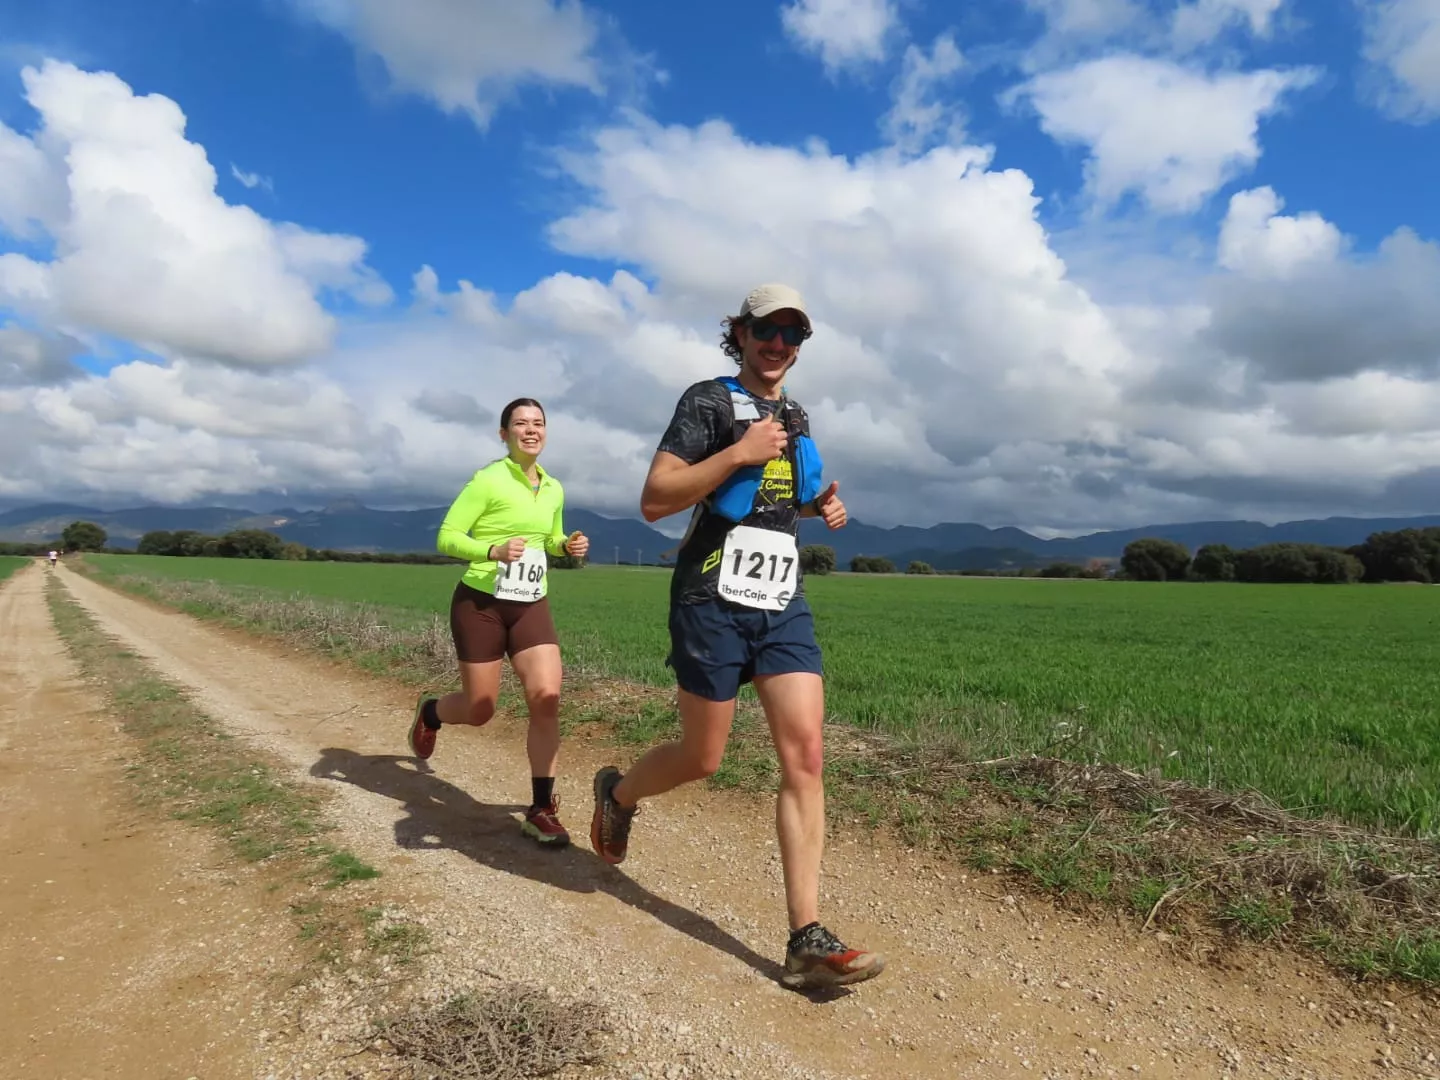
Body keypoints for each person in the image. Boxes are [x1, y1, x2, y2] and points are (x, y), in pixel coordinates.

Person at [589, 283, 885, 990]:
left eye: (793, 335)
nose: (780, 345)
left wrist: (819, 505)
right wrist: (738, 453)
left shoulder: (795, 412)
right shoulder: (707, 402)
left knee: (806, 754)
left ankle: (806, 936)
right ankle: (619, 795)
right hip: (709, 598)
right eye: (768, 331)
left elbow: (774, 501)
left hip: (781, 598)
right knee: (703, 756)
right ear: (742, 333)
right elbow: (657, 498)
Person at [408, 397, 590, 847]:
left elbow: (547, 537)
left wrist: (566, 545)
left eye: (538, 423)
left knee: (546, 696)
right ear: (503, 433)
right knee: (480, 709)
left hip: (530, 602)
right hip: (481, 604)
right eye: (520, 423)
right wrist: (490, 551)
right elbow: (447, 536)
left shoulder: (553, 488)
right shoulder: (487, 480)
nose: (531, 430)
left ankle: (541, 808)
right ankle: (431, 712)